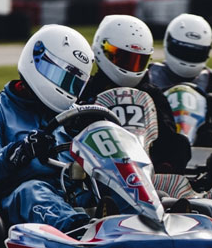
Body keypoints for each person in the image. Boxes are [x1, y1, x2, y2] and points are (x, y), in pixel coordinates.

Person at [0, 24, 95, 232]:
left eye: (72, 84)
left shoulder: (76, 115)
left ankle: (139, 221)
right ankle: (79, 232)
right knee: (33, 190)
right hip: (16, 199)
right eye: (60, 77)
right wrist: (22, 150)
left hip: (72, 192)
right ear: (37, 61)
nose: (65, 89)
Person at [79, 14, 190, 173]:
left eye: (138, 61)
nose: (130, 67)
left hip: (147, 168)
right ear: (102, 49)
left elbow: (168, 136)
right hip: (95, 167)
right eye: (123, 58)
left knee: (180, 143)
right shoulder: (86, 90)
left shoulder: (152, 95)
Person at [147, 13, 212, 147]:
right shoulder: (150, 74)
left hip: (201, 145)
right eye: (183, 51)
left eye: (195, 53)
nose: (188, 57)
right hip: (158, 141)